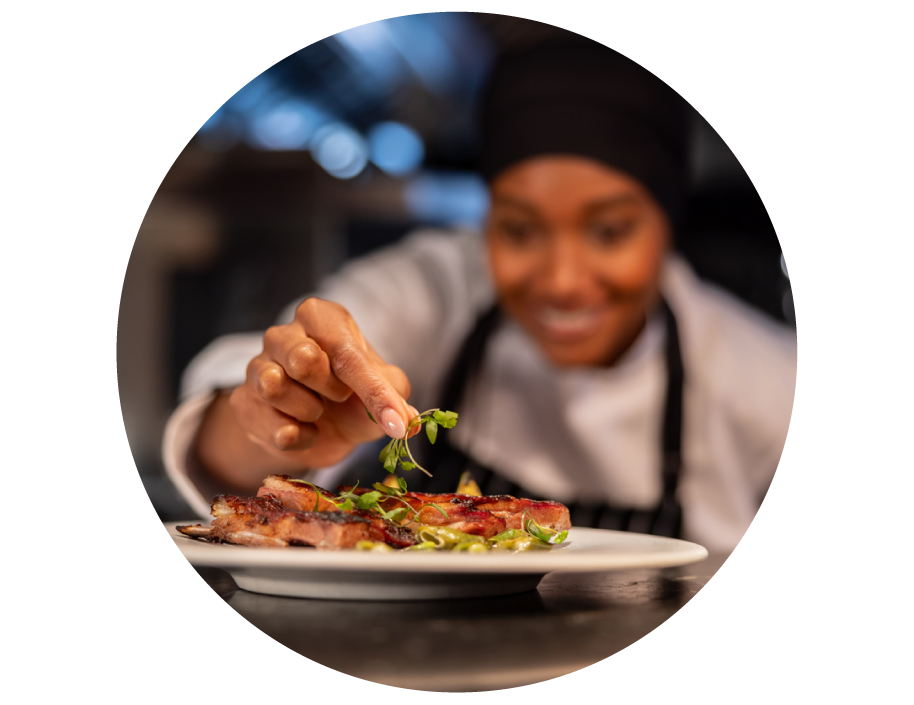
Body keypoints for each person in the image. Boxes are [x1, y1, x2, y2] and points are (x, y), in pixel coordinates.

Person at [162, 42, 797, 569]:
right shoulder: (438, 284)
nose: (563, 281)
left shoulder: (767, 379)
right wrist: (276, 412)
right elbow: (228, 446)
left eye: (609, 232)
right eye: (520, 230)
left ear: (668, 227)